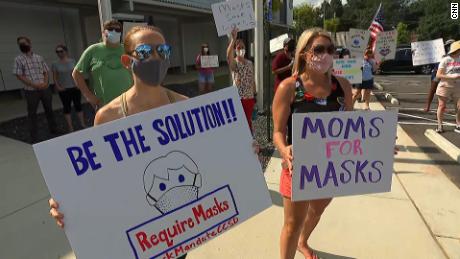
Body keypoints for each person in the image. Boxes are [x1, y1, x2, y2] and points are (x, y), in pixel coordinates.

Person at [49, 25, 259, 259]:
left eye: (163, 51)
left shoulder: (184, 106)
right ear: (127, 61)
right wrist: (70, 203)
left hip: (176, 228)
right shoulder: (108, 117)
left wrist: (240, 153)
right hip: (136, 229)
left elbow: (203, 161)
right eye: (146, 52)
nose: (157, 58)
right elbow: (101, 179)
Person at [272, 28, 353, 259]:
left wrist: (378, 144)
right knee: (291, 223)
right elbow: (278, 131)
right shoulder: (289, 87)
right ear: (305, 53)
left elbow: (351, 128)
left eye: (330, 49)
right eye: (319, 49)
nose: (326, 54)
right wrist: (283, 149)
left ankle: (303, 241)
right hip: (298, 166)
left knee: (318, 209)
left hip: (330, 167)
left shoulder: (343, 86)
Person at [73, 19, 133, 109]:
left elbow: (138, 71)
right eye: (110, 29)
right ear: (104, 32)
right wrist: (88, 96)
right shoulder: (93, 50)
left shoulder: (127, 49)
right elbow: (76, 73)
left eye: (117, 30)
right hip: (105, 104)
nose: (114, 32)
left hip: (130, 101)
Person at [13, 36, 58, 143]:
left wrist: (45, 83)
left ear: (29, 43)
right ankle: (34, 136)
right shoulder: (18, 59)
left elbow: (45, 71)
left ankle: (54, 129)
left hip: (44, 88)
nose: (22, 45)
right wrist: (34, 84)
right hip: (30, 91)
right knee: (32, 113)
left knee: (49, 110)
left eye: (24, 43)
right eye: (20, 44)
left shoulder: (39, 57)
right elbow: (19, 75)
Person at [227, 28, 257, 134]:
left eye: (243, 47)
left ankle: (250, 144)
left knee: (248, 122)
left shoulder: (250, 63)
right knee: (239, 123)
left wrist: (255, 95)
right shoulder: (234, 63)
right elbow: (228, 56)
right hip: (238, 97)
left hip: (249, 97)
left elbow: (252, 79)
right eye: (239, 48)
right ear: (235, 50)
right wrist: (233, 39)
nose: (241, 50)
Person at [52, 44, 86, 132]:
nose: (59, 53)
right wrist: (58, 86)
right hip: (64, 89)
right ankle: (70, 126)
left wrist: (79, 84)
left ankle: (82, 124)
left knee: (78, 105)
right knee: (66, 107)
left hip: (74, 87)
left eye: (61, 51)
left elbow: (77, 73)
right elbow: (55, 77)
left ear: (65, 51)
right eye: (57, 52)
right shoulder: (55, 64)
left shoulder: (72, 61)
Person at [435, 40, 460, 133]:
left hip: (458, 85)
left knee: (459, 106)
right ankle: (440, 126)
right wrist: (450, 76)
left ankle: (458, 125)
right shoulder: (445, 60)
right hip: (445, 85)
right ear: (456, 50)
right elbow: (438, 75)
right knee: (441, 106)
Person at [425, 39, 455, 112]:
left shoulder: (456, 53)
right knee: (433, 89)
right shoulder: (441, 53)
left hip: (449, 73)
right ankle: (428, 106)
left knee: (450, 90)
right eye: (449, 45)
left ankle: (444, 106)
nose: (449, 46)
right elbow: (435, 63)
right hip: (437, 73)